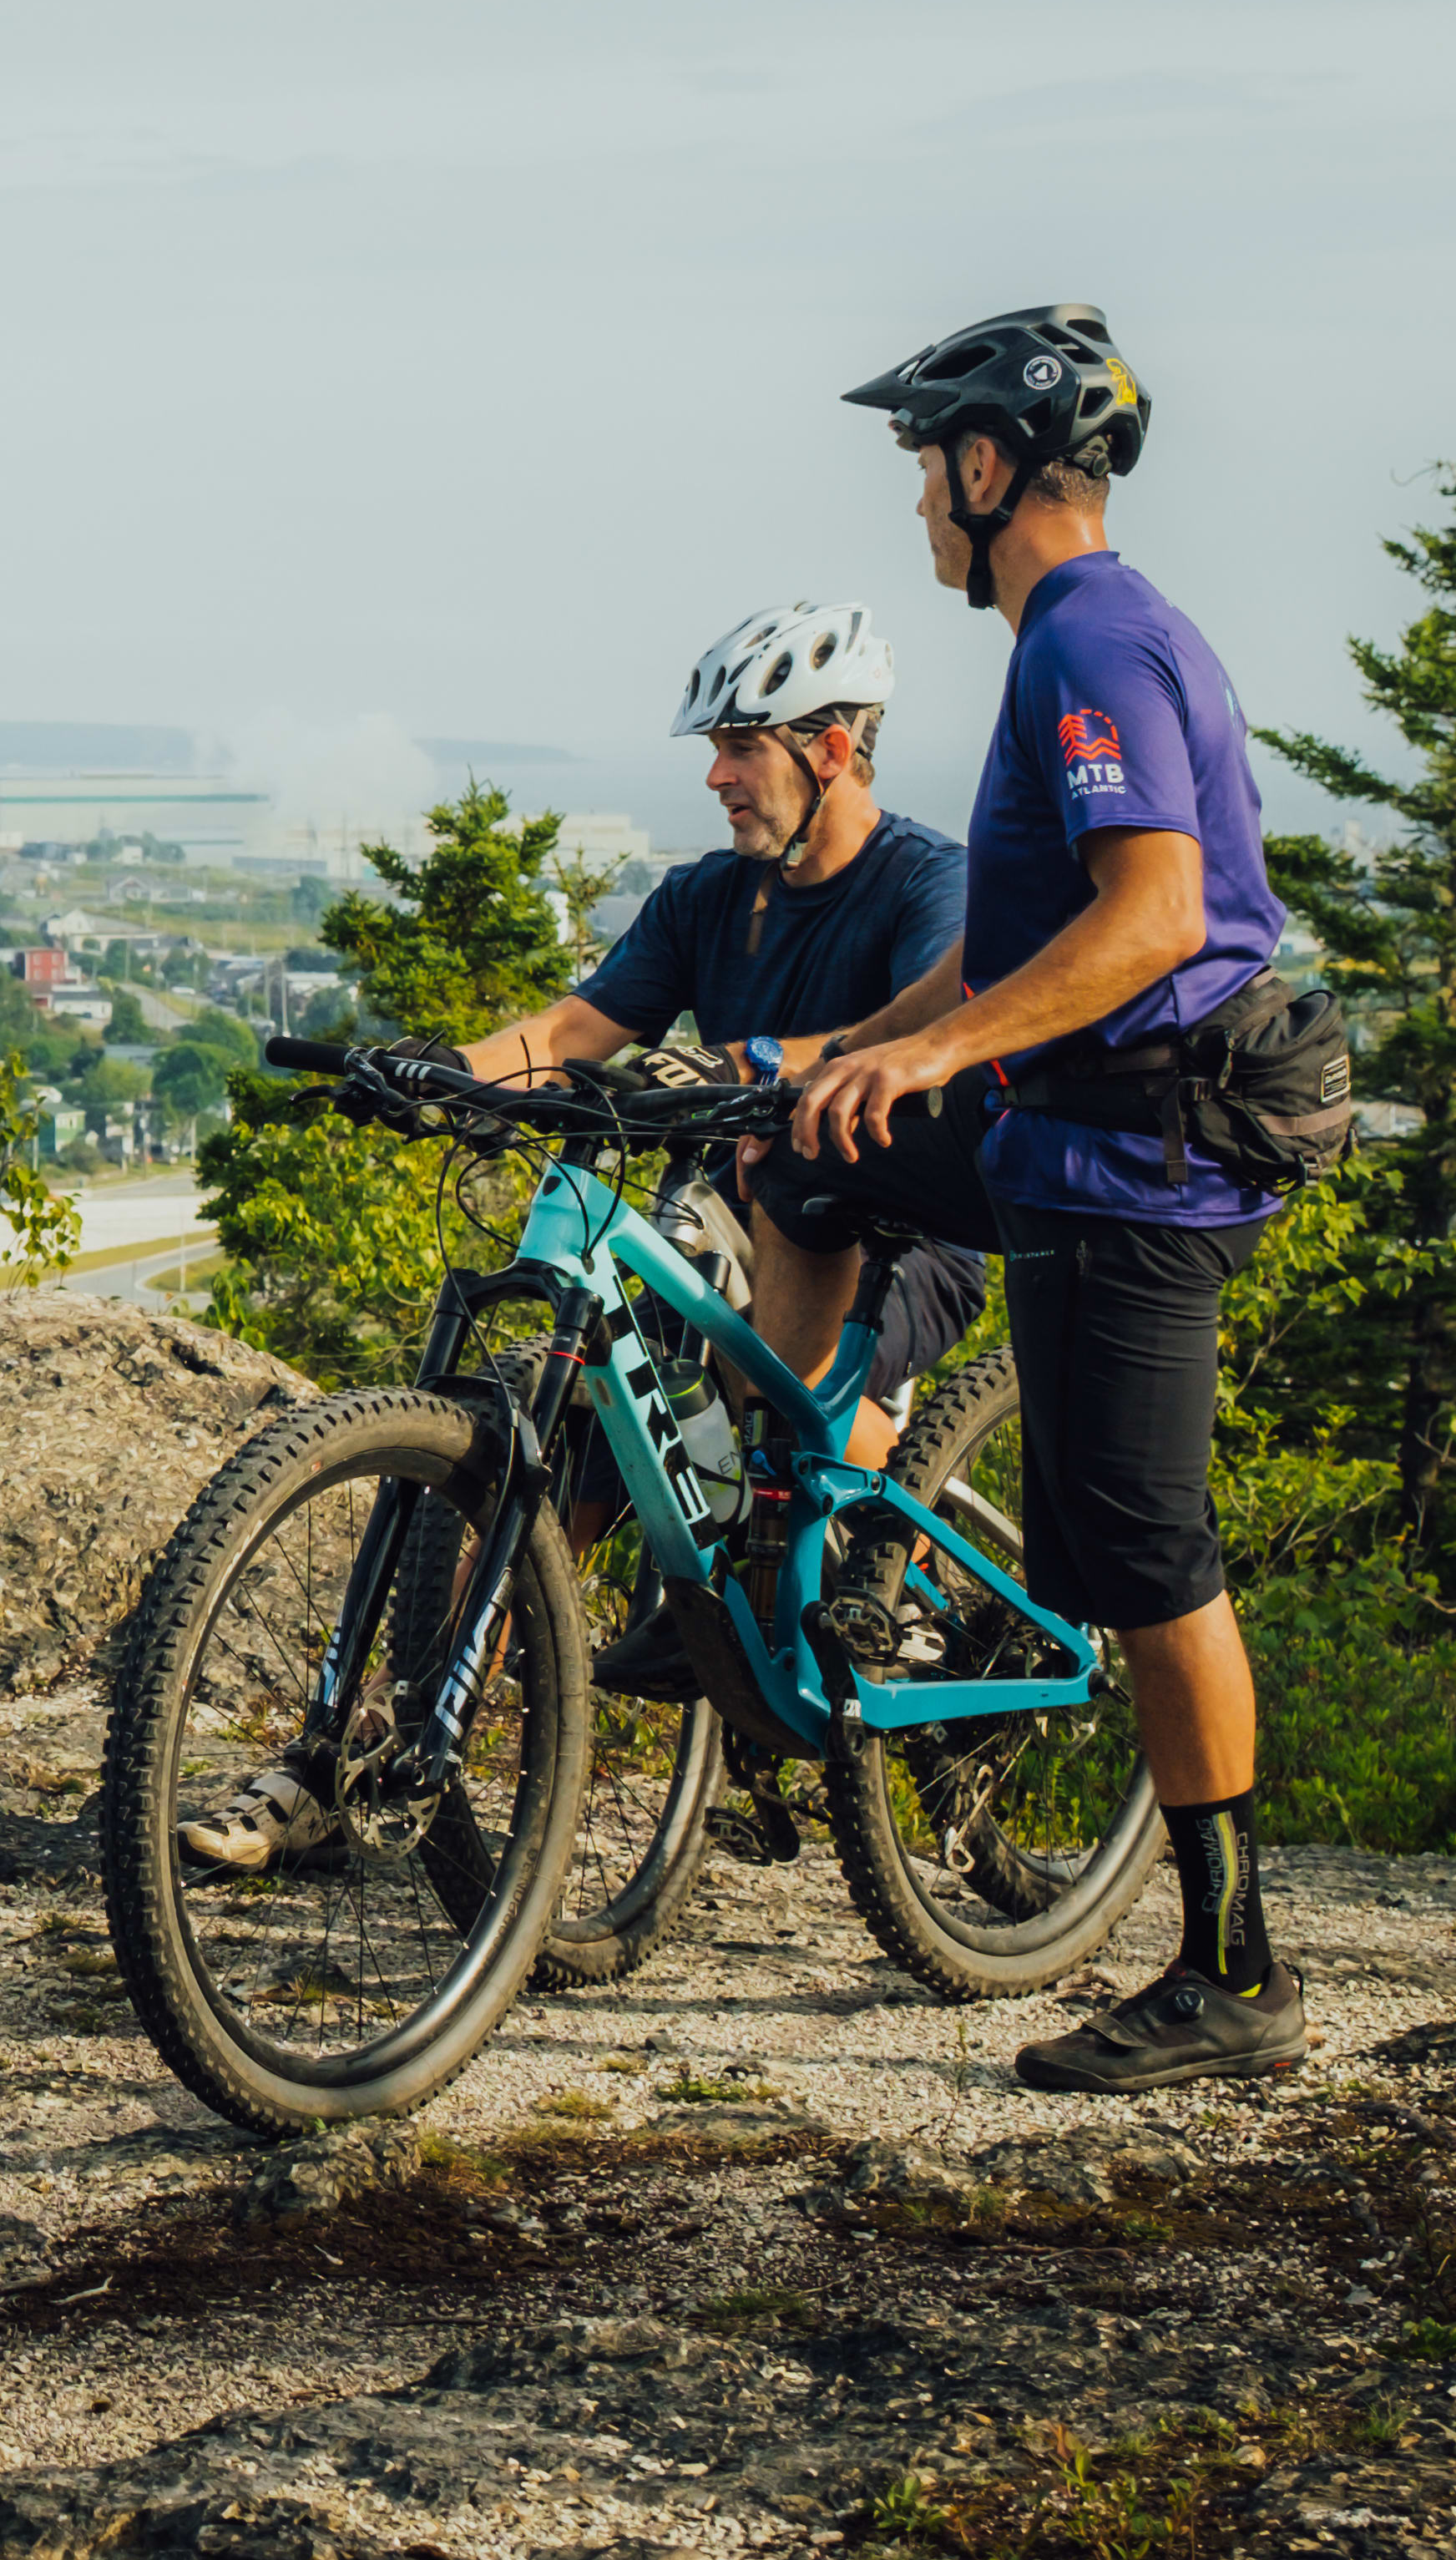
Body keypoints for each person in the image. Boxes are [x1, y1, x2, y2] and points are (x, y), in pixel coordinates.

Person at [173, 602, 993, 1873]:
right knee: (545, 1433)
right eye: (715, 748)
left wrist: (765, 1059)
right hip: (732, 1213)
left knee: (748, 1346)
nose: (715, 774)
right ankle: (374, 1753)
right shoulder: (709, 898)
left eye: (741, 745)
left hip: (892, 1221)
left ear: (831, 747)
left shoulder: (924, 879)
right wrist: (439, 1072)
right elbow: (571, 1031)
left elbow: (917, 1027)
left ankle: (891, 1598)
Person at [795, 304, 1307, 2093]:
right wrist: (841, 1053)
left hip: (1125, 1163)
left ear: (986, 465)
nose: (915, 509)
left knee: (1144, 1559)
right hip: (1057, 1127)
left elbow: (1149, 918)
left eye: (923, 470)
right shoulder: (1076, 637)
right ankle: (816, 1504)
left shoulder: (1087, 639)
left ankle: (1231, 1972)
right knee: (799, 1153)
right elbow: (1013, 948)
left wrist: (931, 1067)